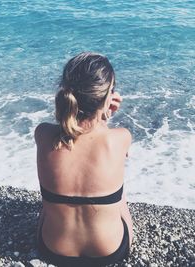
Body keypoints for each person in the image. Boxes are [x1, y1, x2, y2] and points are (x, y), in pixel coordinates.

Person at [35, 52, 133, 267]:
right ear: (108, 97)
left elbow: (70, 132)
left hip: (52, 248)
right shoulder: (121, 137)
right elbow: (98, 145)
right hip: (109, 250)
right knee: (120, 190)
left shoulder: (42, 134)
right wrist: (106, 117)